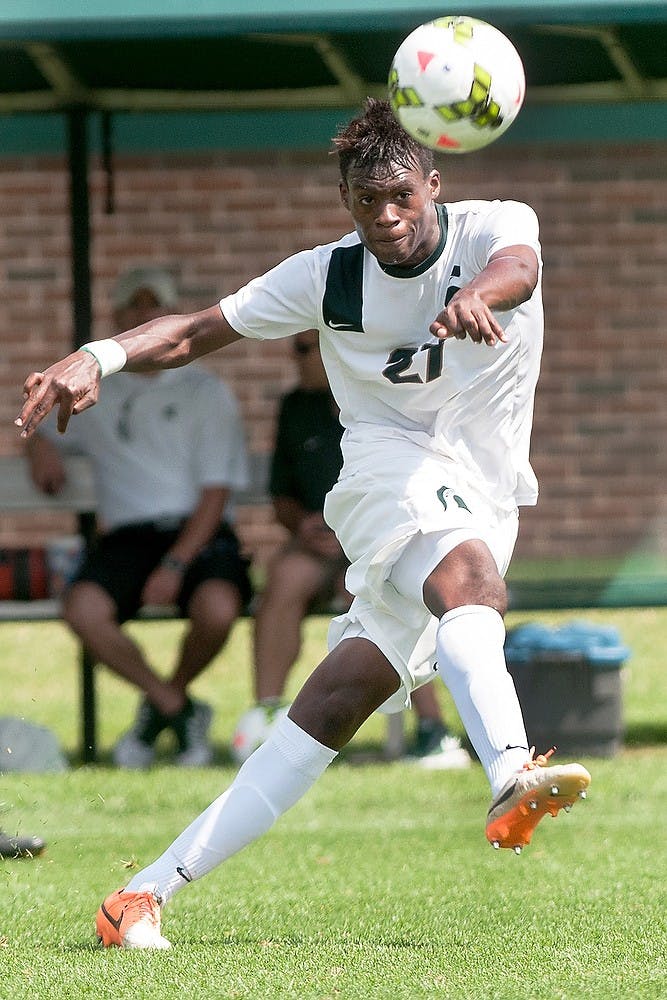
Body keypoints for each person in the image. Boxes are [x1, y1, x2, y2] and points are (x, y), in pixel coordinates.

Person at [16, 99, 591, 950]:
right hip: (386, 472)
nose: (387, 218)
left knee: (331, 703)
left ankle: (140, 896)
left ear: (433, 185)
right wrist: (98, 355)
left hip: (482, 490)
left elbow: (519, 269)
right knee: (469, 581)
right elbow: (196, 331)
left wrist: (477, 293)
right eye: (366, 203)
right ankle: (510, 769)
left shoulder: (493, 227)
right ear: (346, 204)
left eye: (401, 197)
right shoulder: (326, 275)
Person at [25, 266, 253, 769]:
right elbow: (45, 424)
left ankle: (160, 709)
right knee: (82, 608)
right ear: (119, 317)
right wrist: (39, 449)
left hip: (199, 534)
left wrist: (174, 565)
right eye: (135, 305)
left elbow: (216, 494)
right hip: (127, 540)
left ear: (168, 316)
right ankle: (173, 704)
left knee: (218, 609)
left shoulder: (205, 391)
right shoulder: (100, 390)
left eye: (155, 305)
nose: (144, 313)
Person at [236, 327, 470, 769]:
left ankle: (433, 730)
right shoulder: (295, 408)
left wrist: (358, 541)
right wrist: (303, 526)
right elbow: (281, 496)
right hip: (320, 546)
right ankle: (266, 714)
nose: (296, 357)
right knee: (283, 577)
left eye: (305, 348)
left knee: (384, 592)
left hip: (382, 542)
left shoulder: (382, 400)